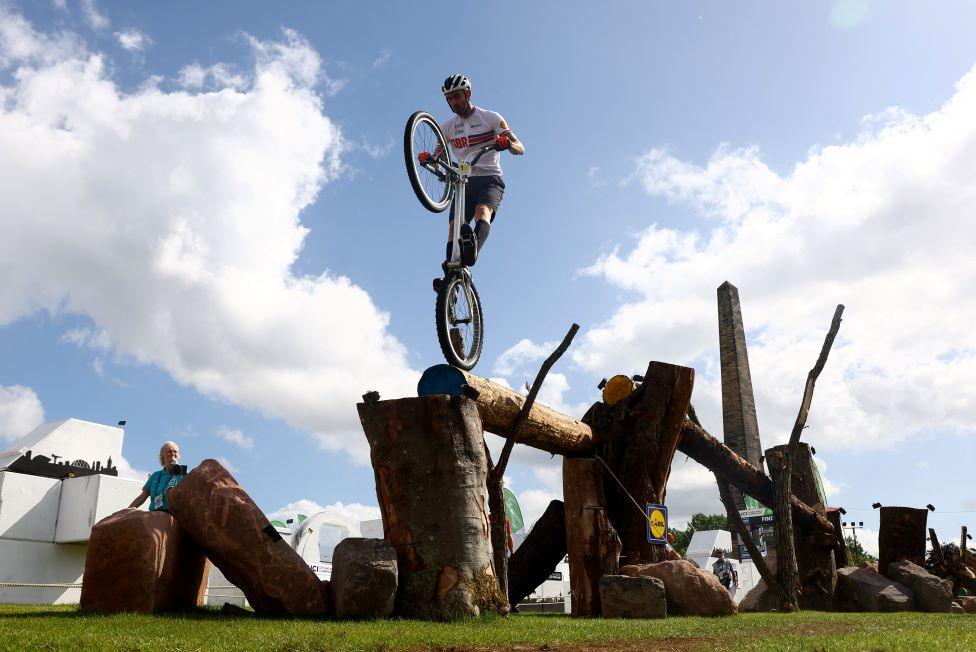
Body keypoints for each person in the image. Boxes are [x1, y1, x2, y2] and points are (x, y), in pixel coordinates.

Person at [432, 74, 524, 291]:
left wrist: (506, 144)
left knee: (483, 212)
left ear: (468, 94)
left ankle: (471, 252)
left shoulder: (490, 118)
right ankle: (451, 277)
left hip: (490, 178)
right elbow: (439, 157)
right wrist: (432, 161)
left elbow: (520, 147)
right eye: (450, 99)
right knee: (454, 227)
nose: (454, 102)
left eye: (457, 96)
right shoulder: (446, 127)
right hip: (464, 182)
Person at [129, 441, 187, 513]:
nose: (172, 453)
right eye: (169, 451)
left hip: (174, 515)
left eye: (175, 452)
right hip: (155, 514)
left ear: (178, 455)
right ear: (162, 456)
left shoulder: (184, 474)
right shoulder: (155, 476)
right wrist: (127, 510)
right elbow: (142, 497)